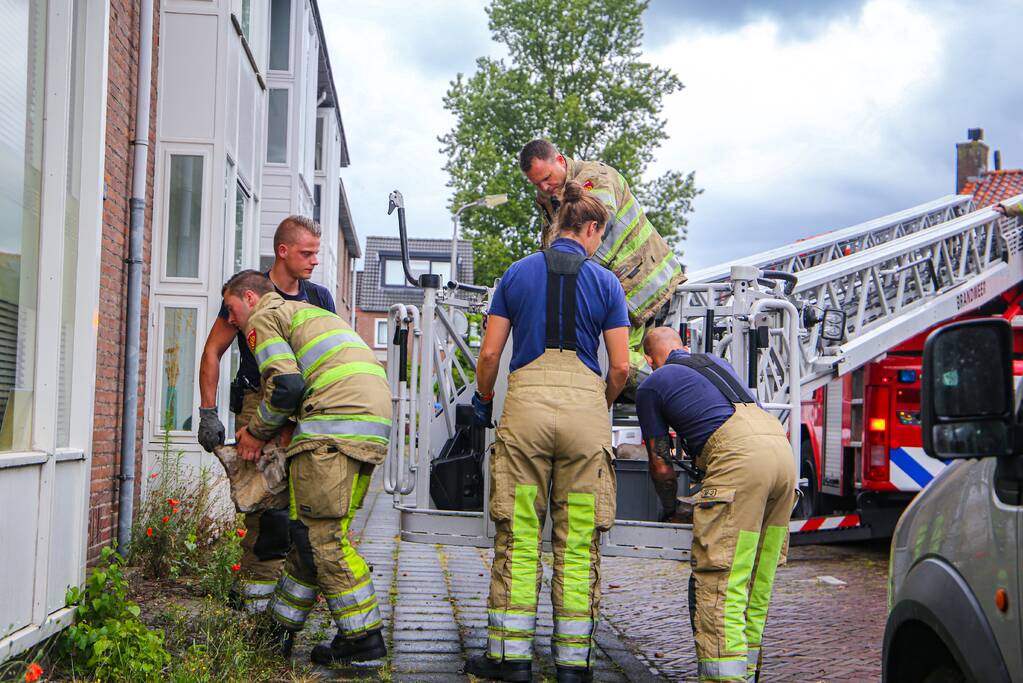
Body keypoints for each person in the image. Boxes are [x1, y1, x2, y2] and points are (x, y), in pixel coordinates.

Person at [465, 181, 631, 683]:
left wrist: (484, 399)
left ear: (555, 225)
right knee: (578, 538)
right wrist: (596, 407)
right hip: (584, 417)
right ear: (591, 229)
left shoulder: (516, 274)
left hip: (527, 414)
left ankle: (511, 660)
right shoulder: (607, 283)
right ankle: (572, 665)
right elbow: (620, 367)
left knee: (517, 534)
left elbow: (491, 354)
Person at [221, 269, 390, 663]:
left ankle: (363, 638)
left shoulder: (264, 316)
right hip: (368, 423)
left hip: (333, 426)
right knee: (309, 534)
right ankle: (277, 631)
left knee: (323, 539)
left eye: (231, 309)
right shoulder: (307, 314)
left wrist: (255, 432)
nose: (230, 320)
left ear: (249, 298)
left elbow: (288, 387)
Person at [635, 327, 796, 683]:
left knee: (721, 580)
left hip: (739, 461)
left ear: (648, 359)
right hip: (782, 456)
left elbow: (661, 464)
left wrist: (669, 507)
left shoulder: (652, 384)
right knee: (756, 576)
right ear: (684, 346)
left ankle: (723, 678)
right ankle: (747, 672)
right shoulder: (716, 363)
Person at [196, 215, 336, 614]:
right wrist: (208, 412)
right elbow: (212, 352)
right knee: (263, 507)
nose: (314, 261)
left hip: (305, 409)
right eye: (306, 253)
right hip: (259, 405)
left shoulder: (319, 298)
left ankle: (288, 602)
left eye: (316, 252)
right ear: (283, 251)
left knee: (302, 505)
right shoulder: (247, 293)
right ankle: (256, 604)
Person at [519, 138, 687, 392]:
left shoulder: (596, 178)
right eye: (537, 183)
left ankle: (675, 390)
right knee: (618, 360)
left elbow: (583, 231)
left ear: (560, 160)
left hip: (644, 286)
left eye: (547, 177)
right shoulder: (550, 198)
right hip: (620, 291)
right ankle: (673, 390)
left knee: (617, 360)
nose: (544, 186)